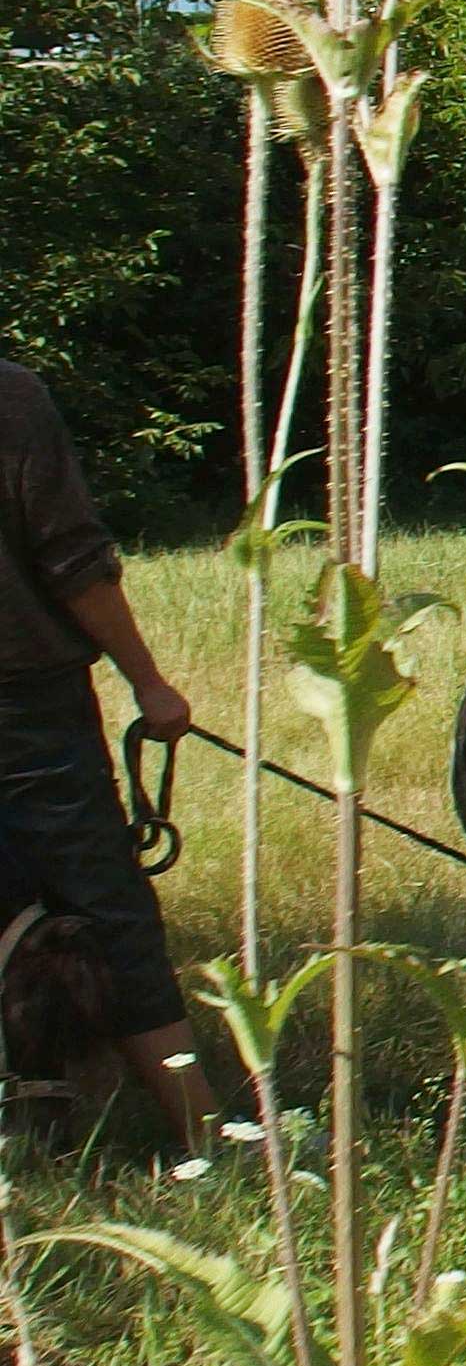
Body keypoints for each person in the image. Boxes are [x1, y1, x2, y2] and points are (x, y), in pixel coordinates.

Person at [0, 356, 218, 1158]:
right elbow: (71, 560)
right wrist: (150, 684)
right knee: (107, 908)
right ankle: (203, 1134)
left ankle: (38, 1116)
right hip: (23, 706)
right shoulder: (10, 394)